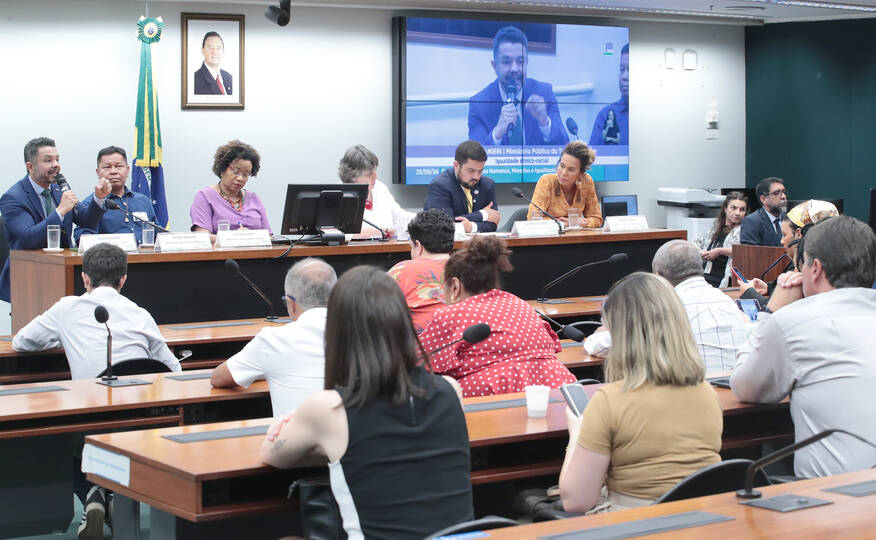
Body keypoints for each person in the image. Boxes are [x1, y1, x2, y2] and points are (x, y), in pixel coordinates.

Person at [259, 266, 473, 539]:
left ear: (338, 332)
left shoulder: (328, 409)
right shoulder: (450, 389)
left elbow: (271, 454)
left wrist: (317, 438)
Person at [12, 243, 181, 540]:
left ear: (85, 278)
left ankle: (92, 493)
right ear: (123, 279)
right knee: (112, 434)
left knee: (58, 430)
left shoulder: (67, 308)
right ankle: (114, 496)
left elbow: (21, 342)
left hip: (91, 422)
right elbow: (174, 370)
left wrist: (63, 337)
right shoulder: (139, 313)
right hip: (143, 425)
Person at [560, 272, 722, 514]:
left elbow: (575, 501)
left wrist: (577, 433)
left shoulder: (609, 402)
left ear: (619, 334)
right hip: (701, 521)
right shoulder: (707, 393)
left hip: (635, 525)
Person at [731, 216, 876, 479]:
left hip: (834, 502)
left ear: (815, 268)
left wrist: (772, 311)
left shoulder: (793, 322)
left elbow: (744, 386)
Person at [420, 235, 575, 397]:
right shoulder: (520, 304)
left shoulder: (449, 315)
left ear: (455, 286)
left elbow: (419, 363)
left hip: (489, 401)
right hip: (558, 392)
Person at [584, 240, 748, 371]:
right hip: (733, 398)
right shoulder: (728, 302)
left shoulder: (661, 306)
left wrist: (607, 328)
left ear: (658, 276)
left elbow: (598, 347)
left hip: (686, 401)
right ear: (700, 268)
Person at [210, 258, 337, 416]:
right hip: (354, 439)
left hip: (293, 440)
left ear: (291, 304)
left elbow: (218, 378)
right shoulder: (364, 334)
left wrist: (264, 369)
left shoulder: (273, 340)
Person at [0, 137, 110, 302]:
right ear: (30, 166)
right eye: (48, 160)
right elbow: (29, 238)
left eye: (57, 159)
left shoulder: (60, 188)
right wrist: (59, 211)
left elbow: (87, 221)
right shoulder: (13, 198)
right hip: (29, 276)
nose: (56, 165)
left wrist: (99, 199)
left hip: (64, 270)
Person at [468, 26, 569, 146]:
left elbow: (565, 146)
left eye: (520, 62)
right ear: (495, 66)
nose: (514, 69)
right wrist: (497, 132)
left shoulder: (544, 93)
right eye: (507, 62)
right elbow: (474, 157)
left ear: (526, 63)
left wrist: (545, 122)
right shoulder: (479, 104)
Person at [739, 199, 838, 303]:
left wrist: (749, 293)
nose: (781, 241)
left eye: (784, 235)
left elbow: (778, 310)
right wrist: (768, 287)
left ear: (799, 234)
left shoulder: (808, 266)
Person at [74, 146, 158, 245]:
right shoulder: (91, 205)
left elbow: (158, 234)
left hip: (147, 258)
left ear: (127, 170)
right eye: (107, 167)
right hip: (112, 258)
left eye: (119, 166)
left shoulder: (143, 200)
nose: (113, 171)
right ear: (98, 172)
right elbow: (84, 240)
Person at [387, 209, 454, 333]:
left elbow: (376, 311)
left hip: (417, 347)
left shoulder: (401, 271)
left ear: (418, 246)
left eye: (411, 246)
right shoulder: (467, 269)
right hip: (462, 345)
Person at [190, 139, 271, 238]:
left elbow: (269, 236)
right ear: (222, 169)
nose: (240, 178)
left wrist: (250, 236)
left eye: (246, 175)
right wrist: (235, 237)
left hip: (257, 253)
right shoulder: (205, 196)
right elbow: (202, 236)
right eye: (236, 172)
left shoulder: (253, 198)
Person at [338, 144, 413, 239]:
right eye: (369, 175)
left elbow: (400, 217)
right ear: (352, 176)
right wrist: (382, 230)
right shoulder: (339, 194)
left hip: (388, 250)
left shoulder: (380, 188)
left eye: (375, 172)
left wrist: (422, 219)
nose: (376, 177)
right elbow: (342, 233)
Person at [425, 140, 500, 232]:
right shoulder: (440, 185)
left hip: (478, 245)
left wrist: (470, 227)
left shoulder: (487, 184)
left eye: (480, 171)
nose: (476, 177)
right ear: (456, 165)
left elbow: (493, 223)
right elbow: (444, 226)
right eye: (471, 171)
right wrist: (483, 214)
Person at [526, 141, 603, 227]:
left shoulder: (586, 181)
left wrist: (581, 223)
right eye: (562, 166)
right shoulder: (547, 181)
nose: (563, 173)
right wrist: (562, 224)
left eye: (571, 170)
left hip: (576, 238)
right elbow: (532, 218)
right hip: (550, 238)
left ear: (580, 173)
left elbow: (597, 218)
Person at [694, 191, 749, 287]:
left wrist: (719, 251)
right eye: (734, 208)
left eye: (742, 210)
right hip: (704, 277)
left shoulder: (743, 229)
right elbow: (696, 243)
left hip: (723, 281)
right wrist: (700, 251)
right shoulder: (715, 229)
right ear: (725, 208)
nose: (737, 213)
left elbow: (743, 251)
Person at [589, 44, 629, 146]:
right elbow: (592, 158)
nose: (624, 77)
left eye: (630, 70)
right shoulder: (606, 114)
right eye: (622, 69)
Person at [740, 177, 787, 247]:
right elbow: (751, 254)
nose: (783, 196)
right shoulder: (752, 222)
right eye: (777, 193)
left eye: (784, 192)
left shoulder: (789, 219)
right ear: (763, 199)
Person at [194, 31, 233, 95]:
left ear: (223, 51)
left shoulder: (229, 78)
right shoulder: (195, 80)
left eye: (218, 48)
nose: (215, 52)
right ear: (203, 51)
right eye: (210, 48)